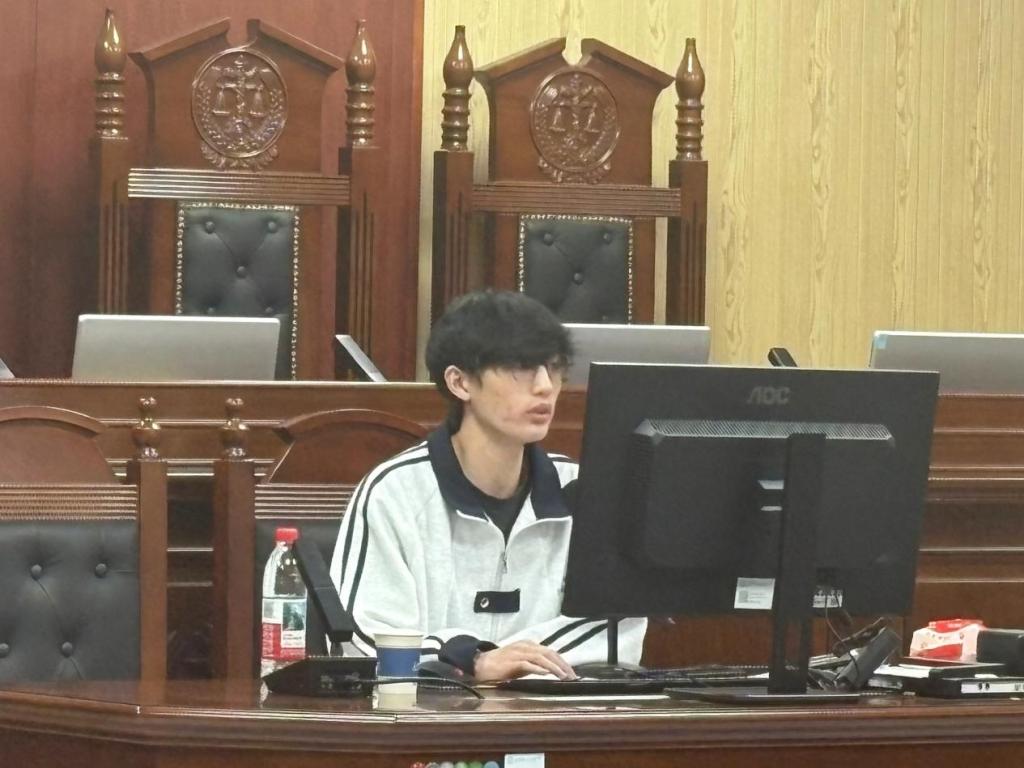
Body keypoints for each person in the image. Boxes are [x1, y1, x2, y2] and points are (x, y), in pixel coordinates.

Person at [329, 290, 645, 681]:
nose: (545, 386)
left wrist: (503, 660)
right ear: (460, 382)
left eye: (553, 368)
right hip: (430, 713)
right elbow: (361, 639)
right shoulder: (395, 492)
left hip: (550, 711)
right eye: (521, 367)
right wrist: (472, 660)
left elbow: (619, 626)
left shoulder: (582, 490)